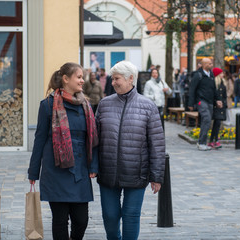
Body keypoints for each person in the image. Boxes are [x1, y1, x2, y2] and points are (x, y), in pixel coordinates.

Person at [28, 62, 99, 240]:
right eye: (79, 77)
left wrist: (93, 166)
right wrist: (33, 171)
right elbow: (40, 139)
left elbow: (93, 140)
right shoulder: (47, 105)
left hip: (80, 170)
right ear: (66, 79)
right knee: (60, 220)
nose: (83, 81)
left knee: (81, 220)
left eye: (82, 77)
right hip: (56, 169)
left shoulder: (86, 106)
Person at [96, 61, 165, 240]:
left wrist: (156, 177)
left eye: (117, 79)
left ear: (131, 79)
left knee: (131, 216)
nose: (113, 83)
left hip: (137, 173)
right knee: (110, 216)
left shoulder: (148, 106)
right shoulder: (104, 104)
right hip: (108, 172)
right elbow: (95, 140)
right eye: (112, 79)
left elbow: (157, 144)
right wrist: (93, 166)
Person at [188, 58, 222, 151]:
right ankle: (201, 143)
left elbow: (214, 89)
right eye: (210, 64)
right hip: (201, 101)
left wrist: (218, 100)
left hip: (210, 102)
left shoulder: (211, 74)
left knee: (207, 121)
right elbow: (192, 89)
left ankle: (202, 142)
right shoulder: (198, 75)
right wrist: (190, 104)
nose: (211, 65)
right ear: (204, 64)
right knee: (206, 118)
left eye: (211, 63)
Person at [208, 68, 227, 149]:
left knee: (217, 124)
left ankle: (213, 140)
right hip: (216, 106)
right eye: (221, 73)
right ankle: (215, 140)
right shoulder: (214, 83)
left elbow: (224, 95)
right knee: (217, 123)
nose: (223, 75)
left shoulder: (223, 82)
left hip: (221, 106)